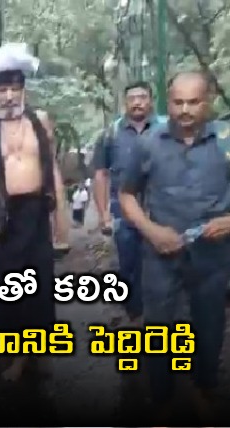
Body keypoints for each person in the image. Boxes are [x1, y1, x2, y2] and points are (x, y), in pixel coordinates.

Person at [119, 71, 230, 421]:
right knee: (159, 326)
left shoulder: (227, 141)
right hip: (161, 254)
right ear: (169, 102)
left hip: (212, 255)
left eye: (193, 102)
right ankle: (161, 394)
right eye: (178, 102)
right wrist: (151, 231)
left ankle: (204, 386)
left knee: (209, 324)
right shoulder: (148, 142)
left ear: (208, 100)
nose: (184, 110)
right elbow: (126, 195)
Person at [0, 45, 69, 382]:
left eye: (15, 89)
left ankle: (36, 354)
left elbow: (51, 168)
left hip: (36, 213)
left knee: (39, 287)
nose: (9, 96)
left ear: (23, 89)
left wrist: (61, 223)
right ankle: (15, 354)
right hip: (1, 219)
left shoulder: (39, 121)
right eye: (2, 90)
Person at [92, 81, 161, 325]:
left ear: (151, 100)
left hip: (161, 211)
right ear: (125, 103)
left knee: (161, 265)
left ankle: (160, 316)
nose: (137, 102)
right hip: (124, 214)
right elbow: (101, 174)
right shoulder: (110, 134)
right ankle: (136, 315)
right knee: (129, 264)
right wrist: (103, 215)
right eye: (132, 98)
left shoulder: (166, 129)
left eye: (142, 97)